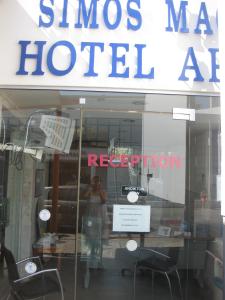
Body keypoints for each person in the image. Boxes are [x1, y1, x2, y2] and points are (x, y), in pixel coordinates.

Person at [83, 176, 109, 269]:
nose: (97, 184)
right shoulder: (90, 190)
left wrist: (100, 191)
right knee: (91, 238)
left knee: (99, 239)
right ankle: (91, 258)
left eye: (99, 182)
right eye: (95, 182)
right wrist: (90, 188)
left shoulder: (103, 192)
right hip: (91, 217)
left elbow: (104, 201)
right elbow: (85, 197)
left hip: (100, 217)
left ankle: (99, 260)